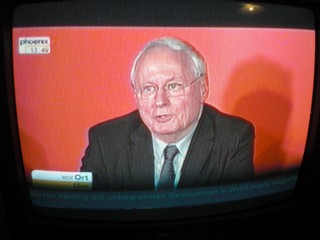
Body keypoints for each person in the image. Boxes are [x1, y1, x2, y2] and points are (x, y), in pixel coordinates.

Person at [80, 36, 255, 191]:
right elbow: (89, 210)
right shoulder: (106, 141)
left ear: (203, 88)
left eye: (173, 86)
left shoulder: (233, 137)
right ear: (136, 94)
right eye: (148, 88)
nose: (160, 101)